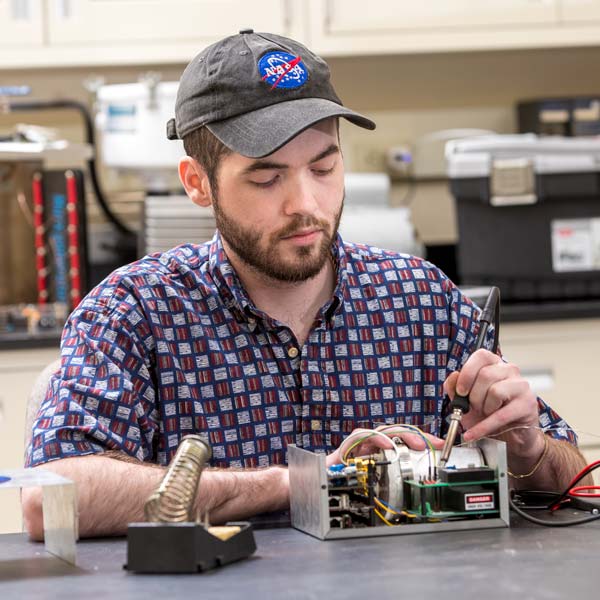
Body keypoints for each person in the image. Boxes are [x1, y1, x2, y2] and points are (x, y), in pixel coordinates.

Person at [23, 29, 587, 539]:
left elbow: (574, 479)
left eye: (323, 168)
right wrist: (306, 483)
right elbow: (49, 500)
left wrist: (526, 447)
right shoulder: (135, 310)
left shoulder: (424, 302)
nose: (306, 205)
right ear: (198, 183)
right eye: (267, 178)